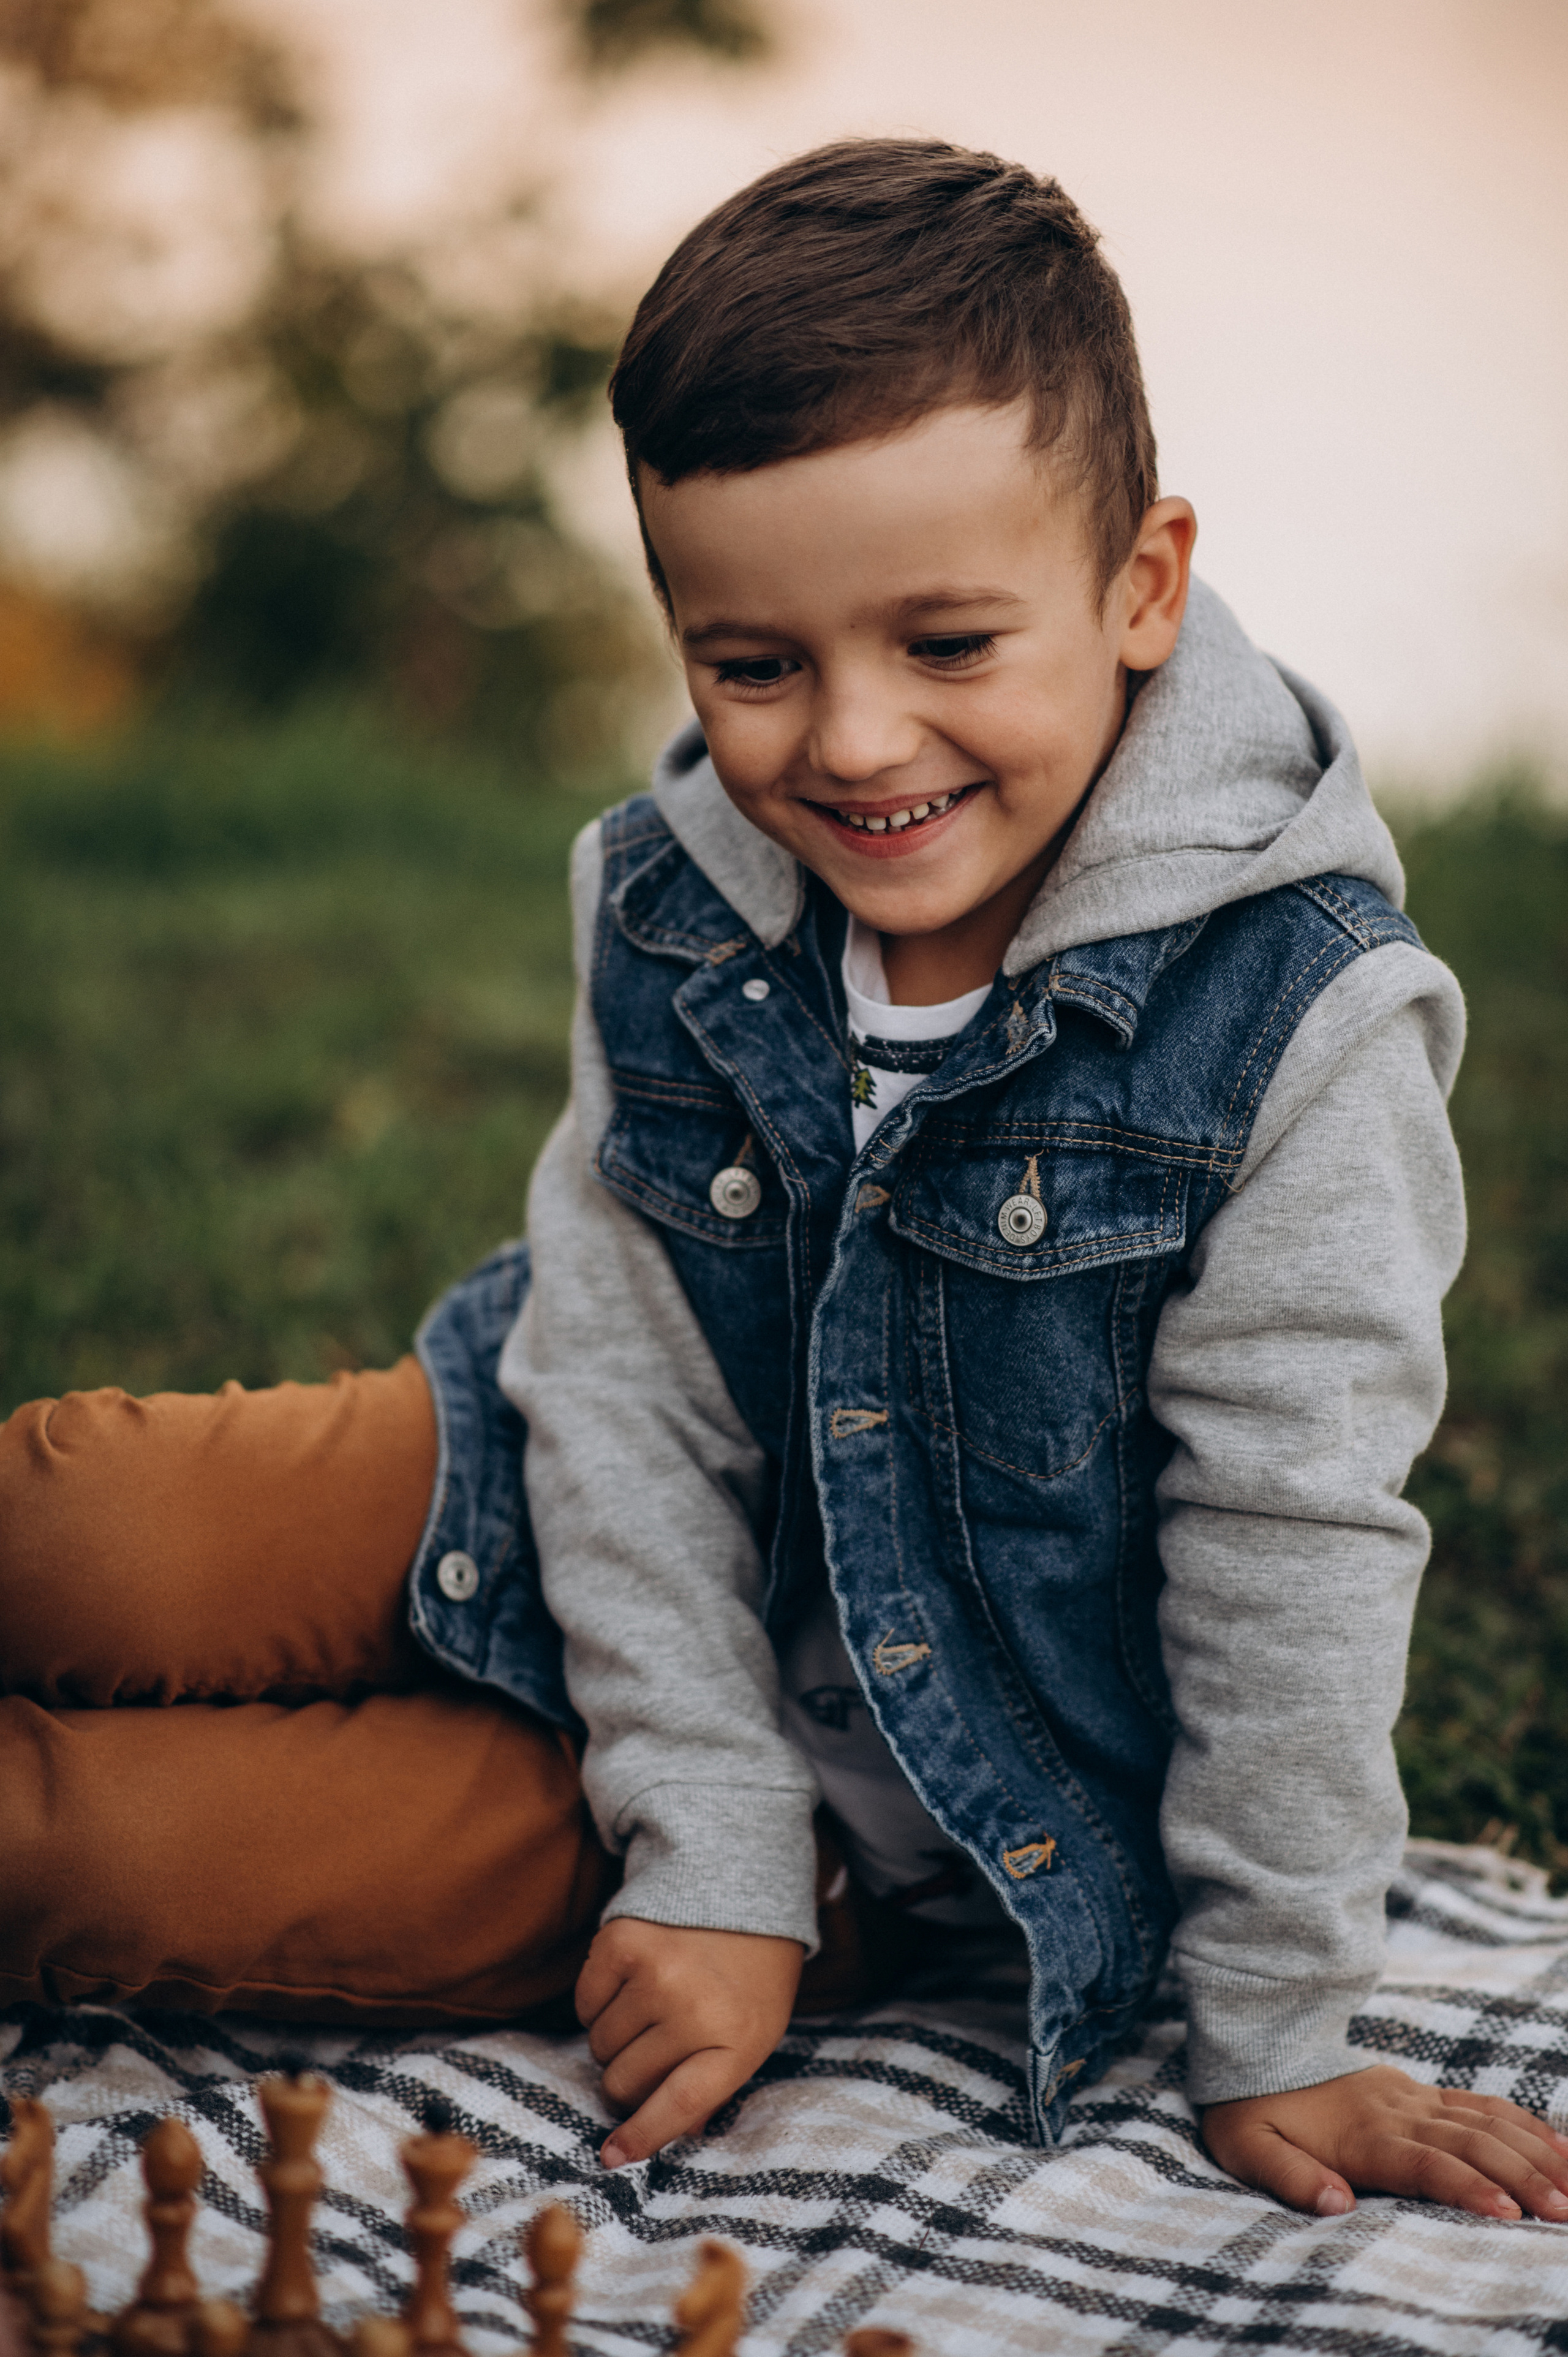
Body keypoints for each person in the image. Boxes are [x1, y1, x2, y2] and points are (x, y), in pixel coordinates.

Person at [2, 138, 1565, 2228]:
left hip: (882, 1804)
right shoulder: (676, 898)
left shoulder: (1302, 1025)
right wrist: (704, 1792)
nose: (849, 741)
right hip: (550, 1483)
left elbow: (1288, 1539)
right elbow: (624, 1379)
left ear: (1143, 587)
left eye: (945, 642)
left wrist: (1271, 2024)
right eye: (752, 664)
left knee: (93, 1852)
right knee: (77, 1532)